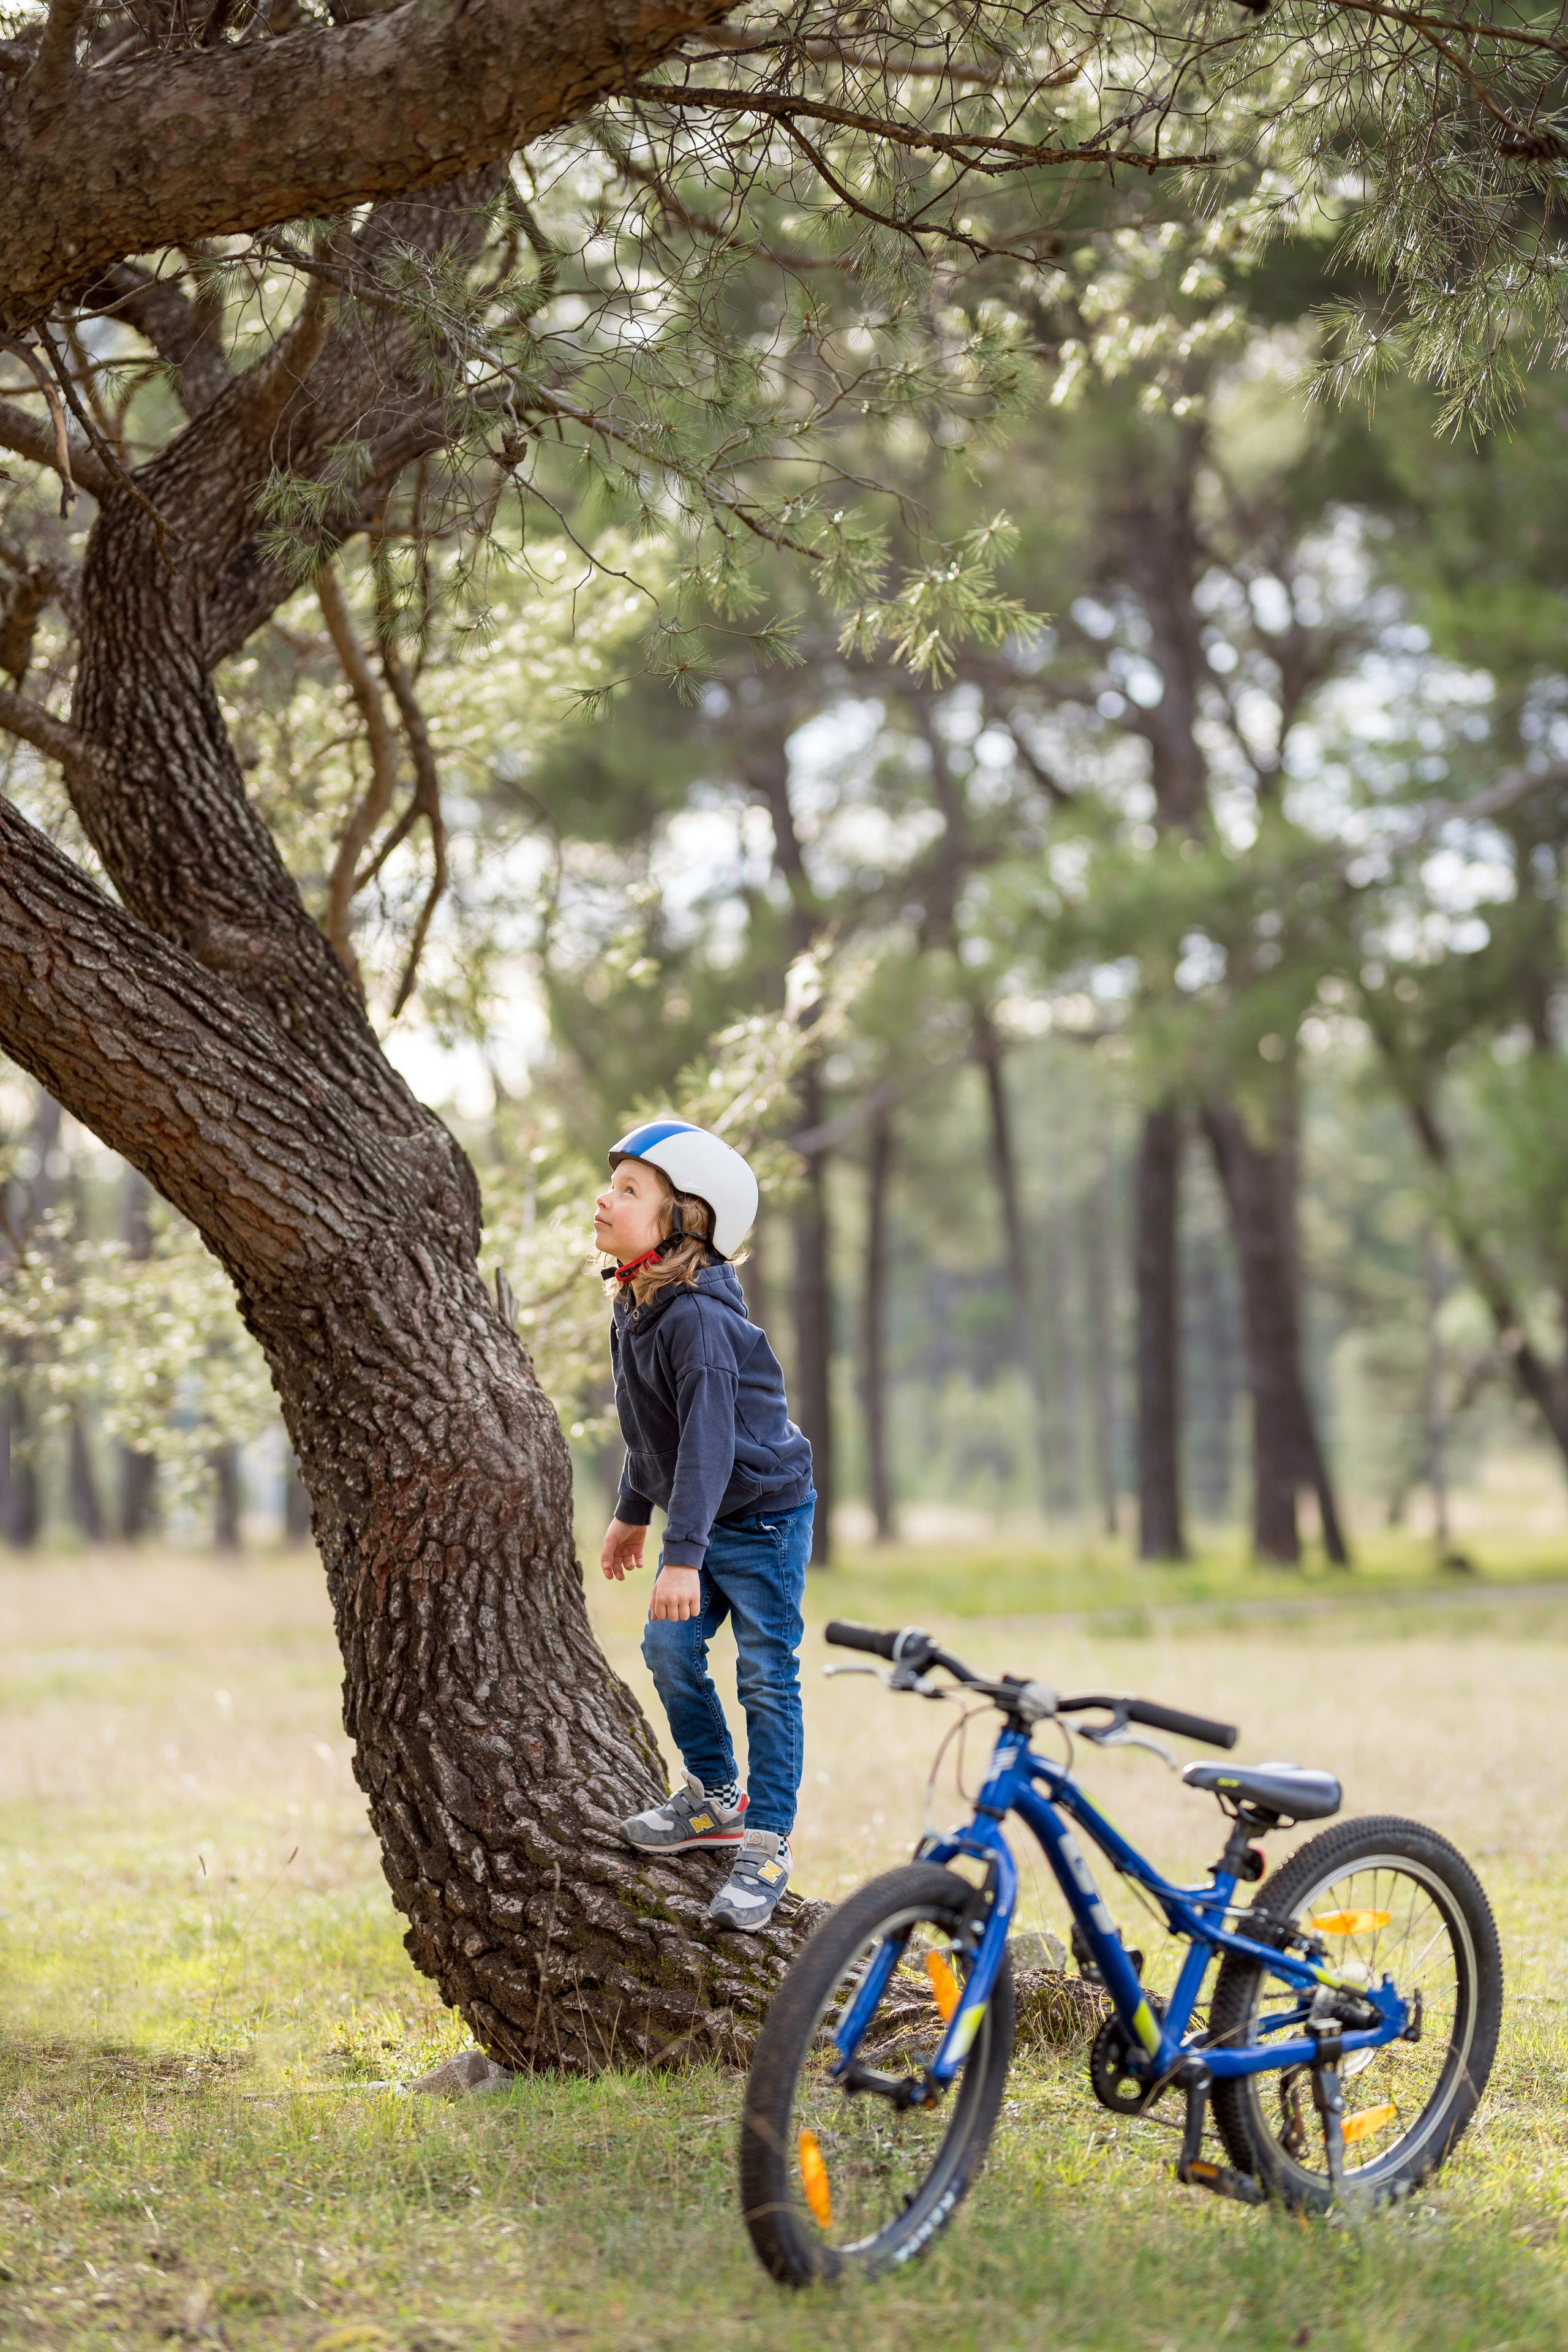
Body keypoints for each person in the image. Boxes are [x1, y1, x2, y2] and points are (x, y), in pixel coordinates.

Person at [595, 1118, 815, 1931]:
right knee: (668, 1649)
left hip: (761, 1519)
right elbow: (653, 1429)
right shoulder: (637, 1305)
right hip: (700, 1515)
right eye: (611, 1183)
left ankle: (768, 1843)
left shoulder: (698, 1322)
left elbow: (711, 1445)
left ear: (686, 1220)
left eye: (629, 1190)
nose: (604, 1199)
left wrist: (682, 1556)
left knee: (765, 1675)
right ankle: (717, 1797)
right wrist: (631, 1513)